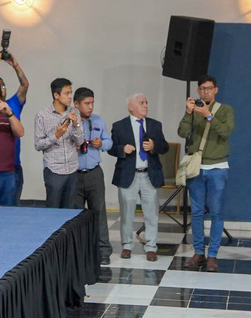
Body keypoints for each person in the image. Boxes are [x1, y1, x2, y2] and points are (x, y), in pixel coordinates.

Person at [177, 75, 234, 272]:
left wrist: (208, 115)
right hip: (197, 167)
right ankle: (198, 252)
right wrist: (188, 112)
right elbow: (182, 132)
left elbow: (225, 132)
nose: (205, 92)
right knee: (197, 211)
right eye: (202, 89)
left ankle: (213, 255)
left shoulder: (225, 110)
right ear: (198, 91)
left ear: (215, 90)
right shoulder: (194, 110)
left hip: (218, 166)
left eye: (209, 88)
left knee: (216, 212)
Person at [108, 94, 169, 260]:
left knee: (151, 213)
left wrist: (154, 146)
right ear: (131, 107)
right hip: (128, 175)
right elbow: (111, 148)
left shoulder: (155, 125)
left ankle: (151, 247)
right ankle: (127, 245)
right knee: (127, 213)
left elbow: (165, 147)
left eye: (146, 102)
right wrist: (122, 149)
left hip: (149, 174)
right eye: (142, 103)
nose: (146, 105)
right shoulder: (119, 126)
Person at [72, 87, 114, 265]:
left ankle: (103, 251)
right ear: (76, 104)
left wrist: (101, 143)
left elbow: (109, 142)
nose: (90, 107)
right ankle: (78, 252)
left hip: (94, 172)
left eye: (92, 103)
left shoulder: (98, 120)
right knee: (76, 215)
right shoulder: (69, 121)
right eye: (86, 103)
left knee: (99, 212)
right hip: (74, 174)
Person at [0, 49, 30, 200]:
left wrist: (16, 66)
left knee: (11, 208)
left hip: (12, 166)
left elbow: (24, 85)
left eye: (3, 86)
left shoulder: (13, 103)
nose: (1, 89)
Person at [33, 78, 84, 208]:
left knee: (70, 210)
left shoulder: (75, 112)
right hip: (54, 169)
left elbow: (79, 141)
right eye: (66, 93)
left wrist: (76, 124)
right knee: (53, 209)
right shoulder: (42, 115)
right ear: (56, 95)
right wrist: (56, 135)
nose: (70, 97)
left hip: (72, 169)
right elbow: (38, 145)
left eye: (70, 93)